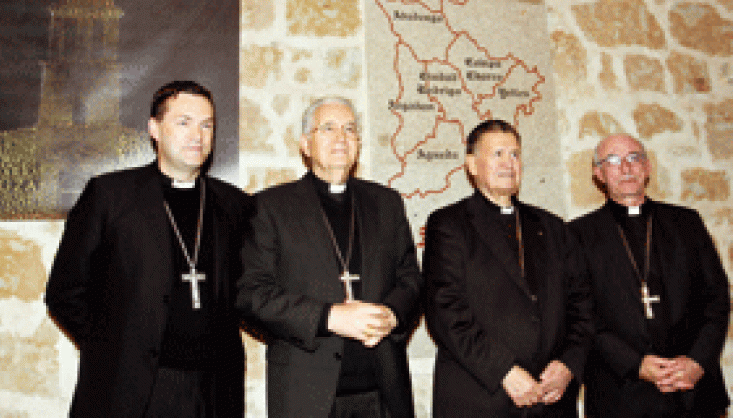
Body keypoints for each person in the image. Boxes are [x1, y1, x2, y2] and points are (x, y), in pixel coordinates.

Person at [45, 80, 252, 418]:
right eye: (183, 122)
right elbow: (65, 292)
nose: (197, 135)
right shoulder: (110, 196)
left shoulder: (235, 206)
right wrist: (113, 348)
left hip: (213, 392)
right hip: (133, 390)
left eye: (206, 125)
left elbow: (249, 292)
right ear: (154, 128)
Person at [236, 97, 422, 418]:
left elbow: (411, 279)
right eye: (329, 128)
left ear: (359, 143)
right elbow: (251, 294)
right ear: (305, 145)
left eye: (350, 129)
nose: (341, 137)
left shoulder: (385, 203)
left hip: (383, 393)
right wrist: (329, 318)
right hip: (306, 395)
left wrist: (392, 314)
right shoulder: (270, 207)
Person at [424, 119, 593, 417]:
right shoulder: (449, 225)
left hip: (551, 400)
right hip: (481, 398)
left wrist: (568, 364)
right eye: (497, 154)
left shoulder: (553, 228)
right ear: (472, 165)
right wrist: (504, 370)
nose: (508, 163)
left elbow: (582, 305)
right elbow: (446, 312)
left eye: (515, 154)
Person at [568, 133, 730, 418]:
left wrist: (697, 362)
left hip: (694, 392)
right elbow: (581, 314)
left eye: (634, 158)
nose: (626, 168)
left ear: (647, 167)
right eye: (613, 161)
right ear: (599, 174)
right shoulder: (578, 235)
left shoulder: (686, 222)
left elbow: (717, 298)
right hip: (620, 397)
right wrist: (635, 364)